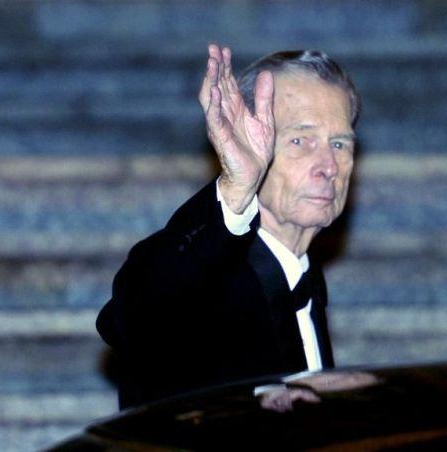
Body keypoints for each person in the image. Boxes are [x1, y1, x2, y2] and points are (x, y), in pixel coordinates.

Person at [96, 43, 360, 409]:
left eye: (339, 144)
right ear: (246, 140)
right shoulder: (205, 276)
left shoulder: (304, 276)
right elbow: (130, 318)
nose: (328, 166)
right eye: (300, 140)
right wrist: (237, 188)